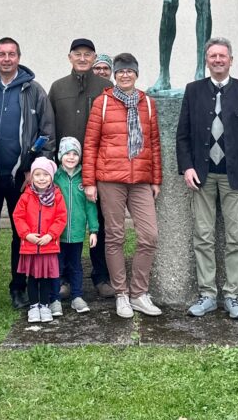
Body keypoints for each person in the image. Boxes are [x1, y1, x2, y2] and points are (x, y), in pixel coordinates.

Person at [176, 37, 238, 319]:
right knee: (203, 236)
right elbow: (183, 134)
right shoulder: (194, 90)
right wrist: (187, 167)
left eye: (222, 56)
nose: (217, 60)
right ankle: (207, 294)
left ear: (231, 60)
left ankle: (233, 296)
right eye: (212, 56)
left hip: (235, 177)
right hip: (201, 175)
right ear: (206, 60)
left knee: (236, 239)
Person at [0, 37, 55, 313]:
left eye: (11, 54)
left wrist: (34, 168)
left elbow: (47, 133)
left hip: (21, 178)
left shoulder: (34, 90)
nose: (6, 59)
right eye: (1, 54)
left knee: (22, 234)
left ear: (18, 57)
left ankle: (18, 287)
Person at [82, 53, 162, 319]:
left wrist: (156, 179)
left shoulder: (148, 103)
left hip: (140, 180)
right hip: (110, 179)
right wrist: (90, 182)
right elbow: (91, 144)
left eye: (130, 71)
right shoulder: (102, 103)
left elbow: (154, 145)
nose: (125, 75)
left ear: (136, 73)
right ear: (115, 74)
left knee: (149, 235)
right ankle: (121, 294)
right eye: (121, 71)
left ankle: (139, 293)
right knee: (114, 236)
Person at [48, 38, 114, 298]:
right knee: (63, 221)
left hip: (99, 167)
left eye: (88, 54)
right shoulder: (58, 87)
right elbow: (50, 127)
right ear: (70, 57)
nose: (83, 58)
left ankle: (101, 277)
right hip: (66, 172)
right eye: (78, 54)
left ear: (94, 57)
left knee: (101, 222)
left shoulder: (106, 87)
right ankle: (63, 277)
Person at [12, 158, 68, 324]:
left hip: (48, 245)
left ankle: (44, 305)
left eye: (45, 175)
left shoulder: (57, 196)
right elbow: (18, 216)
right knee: (32, 278)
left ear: (51, 177)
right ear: (32, 177)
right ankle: (33, 306)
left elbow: (61, 218)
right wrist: (26, 234)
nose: (41, 178)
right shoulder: (26, 196)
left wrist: (50, 235)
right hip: (30, 246)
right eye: (37, 174)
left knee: (45, 278)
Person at [52, 137, 98, 314]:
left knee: (76, 266)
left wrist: (93, 230)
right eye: (67, 154)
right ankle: (54, 298)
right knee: (57, 266)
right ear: (60, 155)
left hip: (77, 233)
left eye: (75, 154)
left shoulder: (84, 179)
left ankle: (77, 296)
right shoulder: (55, 177)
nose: (71, 157)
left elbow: (90, 206)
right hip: (57, 234)